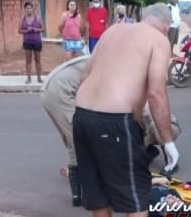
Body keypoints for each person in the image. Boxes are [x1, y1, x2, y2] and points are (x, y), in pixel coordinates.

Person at [73, 3, 179, 217]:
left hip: (82, 115)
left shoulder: (113, 30)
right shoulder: (158, 40)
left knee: (95, 187)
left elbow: (84, 76)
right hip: (114, 121)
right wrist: (167, 140)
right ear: (166, 26)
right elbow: (156, 93)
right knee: (137, 185)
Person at [40, 56, 181, 207]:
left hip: (56, 86)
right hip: (63, 90)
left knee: (75, 140)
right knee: (81, 139)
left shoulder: (126, 62)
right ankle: (87, 193)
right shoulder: (132, 75)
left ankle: (79, 194)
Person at [19, 1, 43, 84]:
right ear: (25, 9)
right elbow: (19, 30)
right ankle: (29, 78)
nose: (29, 9)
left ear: (33, 9)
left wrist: (36, 30)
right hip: (27, 42)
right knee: (28, 61)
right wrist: (26, 30)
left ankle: (39, 78)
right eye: (27, 8)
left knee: (38, 60)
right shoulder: (23, 19)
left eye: (30, 8)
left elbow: (43, 29)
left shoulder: (38, 18)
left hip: (37, 42)